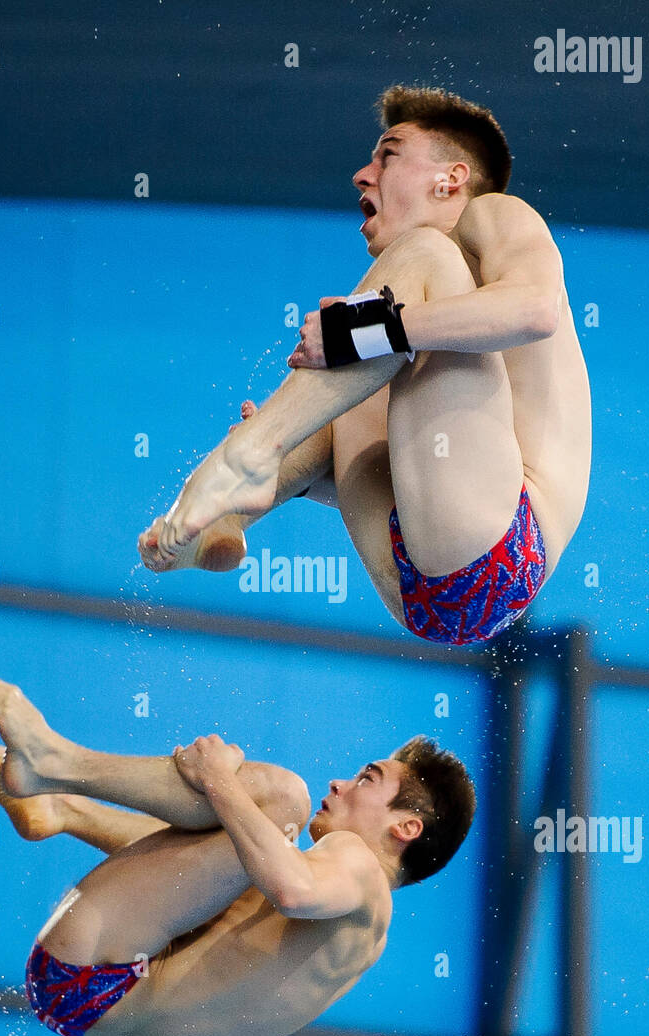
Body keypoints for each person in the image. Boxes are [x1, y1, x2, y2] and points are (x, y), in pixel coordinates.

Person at [138, 84, 591, 646]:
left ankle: (254, 455)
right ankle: (237, 511)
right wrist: (313, 461)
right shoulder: (425, 333)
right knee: (356, 374)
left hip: (505, 540)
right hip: (425, 584)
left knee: (403, 283)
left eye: (389, 153)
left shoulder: (496, 215)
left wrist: (360, 333)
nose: (362, 173)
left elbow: (535, 309)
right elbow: (417, 466)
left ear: (449, 178)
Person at [0, 677, 475, 1036]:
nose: (340, 783)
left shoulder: (359, 869)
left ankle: (54, 762)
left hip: (98, 971)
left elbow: (292, 889)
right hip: (94, 1006)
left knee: (282, 797)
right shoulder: (355, 930)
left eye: (368, 778)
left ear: (406, 828)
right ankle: (62, 806)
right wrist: (74, 815)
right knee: (255, 840)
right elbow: (187, 879)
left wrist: (215, 778)